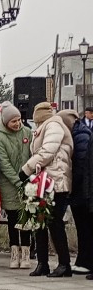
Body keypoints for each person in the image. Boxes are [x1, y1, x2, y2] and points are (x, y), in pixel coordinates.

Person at [21, 103, 74, 277]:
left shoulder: (53, 125)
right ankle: (42, 263)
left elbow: (47, 151)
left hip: (56, 182)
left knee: (54, 223)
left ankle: (64, 264)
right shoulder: (45, 127)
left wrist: (26, 169)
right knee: (39, 221)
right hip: (44, 181)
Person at [0, 102, 33, 270]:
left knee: (26, 218)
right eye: (13, 121)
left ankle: (26, 254)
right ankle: (14, 253)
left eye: (19, 120)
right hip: (9, 184)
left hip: (28, 182)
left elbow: (32, 154)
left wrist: (27, 180)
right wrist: (18, 181)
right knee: (12, 218)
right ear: (5, 122)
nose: (17, 124)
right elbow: (4, 163)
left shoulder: (27, 132)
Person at [61, 109, 93, 272]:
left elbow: (80, 166)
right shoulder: (79, 134)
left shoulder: (81, 137)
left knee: (85, 226)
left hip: (82, 190)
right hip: (79, 190)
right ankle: (82, 260)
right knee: (82, 226)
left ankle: (86, 261)